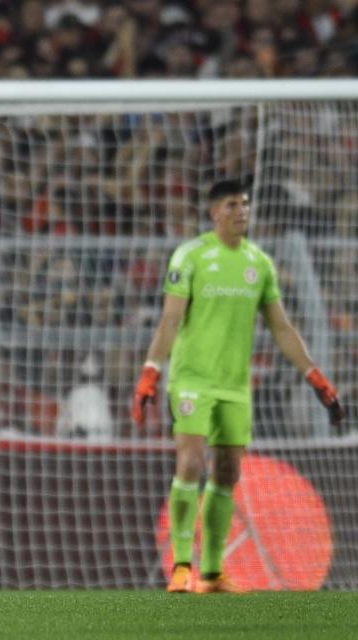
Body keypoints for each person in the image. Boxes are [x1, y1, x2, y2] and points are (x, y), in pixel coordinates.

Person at [132, 177, 344, 594]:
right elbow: (171, 319)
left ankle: (211, 572)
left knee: (227, 473)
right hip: (192, 379)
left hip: (234, 386)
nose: (241, 211)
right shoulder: (191, 256)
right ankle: (181, 567)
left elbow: (281, 327)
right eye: (232, 205)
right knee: (191, 462)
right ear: (214, 213)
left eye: (245, 205)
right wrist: (151, 371)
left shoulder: (259, 263)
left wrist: (314, 375)